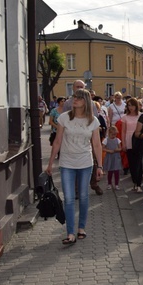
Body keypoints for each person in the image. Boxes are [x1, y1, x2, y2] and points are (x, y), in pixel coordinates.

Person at [46, 89, 103, 245]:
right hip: (67, 163)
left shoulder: (93, 121)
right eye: (73, 97)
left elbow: (97, 144)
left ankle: (81, 228)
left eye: (78, 98)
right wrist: (50, 162)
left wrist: (100, 166)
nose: (74, 99)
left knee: (84, 196)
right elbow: (57, 141)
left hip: (85, 162)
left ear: (85, 101)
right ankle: (70, 233)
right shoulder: (64, 118)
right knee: (69, 198)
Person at [121, 98, 143, 194]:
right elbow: (123, 131)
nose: (131, 107)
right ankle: (134, 182)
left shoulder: (141, 116)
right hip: (129, 139)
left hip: (139, 140)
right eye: (129, 105)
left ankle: (139, 184)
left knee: (139, 163)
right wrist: (123, 143)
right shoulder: (125, 117)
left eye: (132, 105)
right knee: (132, 163)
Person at [102, 125, 123, 190]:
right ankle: (109, 183)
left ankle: (116, 184)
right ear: (109, 133)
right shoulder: (106, 140)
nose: (113, 136)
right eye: (112, 134)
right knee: (110, 171)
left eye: (115, 134)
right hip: (109, 157)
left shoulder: (117, 140)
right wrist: (109, 150)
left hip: (116, 157)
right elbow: (103, 148)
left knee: (116, 171)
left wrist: (117, 150)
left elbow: (120, 148)